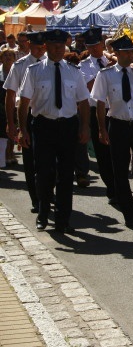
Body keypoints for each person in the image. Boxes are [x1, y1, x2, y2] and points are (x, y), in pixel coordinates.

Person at [17, 29, 90, 234]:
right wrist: (22, 129)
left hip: (67, 126)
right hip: (43, 126)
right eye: (54, 46)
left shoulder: (74, 72)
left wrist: (85, 126)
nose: (58, 50)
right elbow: (24, 103)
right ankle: (43, 213)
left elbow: (83, 102)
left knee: (66, 175)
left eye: (61, 46)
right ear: (46, 47)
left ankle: (63, 219)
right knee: (44, 173)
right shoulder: (34, 71)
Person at [91, 35, 133, 226]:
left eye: (132, 52)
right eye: (125, 52)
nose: (130, 55)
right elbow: (100, 104)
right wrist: (102, 129)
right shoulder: (106, 74)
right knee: (120, 171)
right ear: (116, 54)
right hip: (117, 124)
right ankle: (129, 212)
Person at [3, 31, 48, 213]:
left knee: (49, 159)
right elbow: (10, 95)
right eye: (36, 47)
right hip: (27, 115)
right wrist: (12, 123)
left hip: (47, 115)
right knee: (30, 160)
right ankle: (36, 198)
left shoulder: (51, 65)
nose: (39, 50)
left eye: (42, 47)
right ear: (29, 45)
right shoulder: (20, 65)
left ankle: (46, 192)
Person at [79, 27, 116, 201]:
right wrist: (105, 71)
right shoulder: (84, 66)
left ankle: (119, 186)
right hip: (96, 111)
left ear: (102, 44)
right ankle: (111, 187)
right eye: (90, 46)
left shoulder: (113, 60)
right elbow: (88, 87)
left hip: (115, 110)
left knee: (118, 151)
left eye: (97, 45)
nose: (94, 49)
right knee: (102, 153)